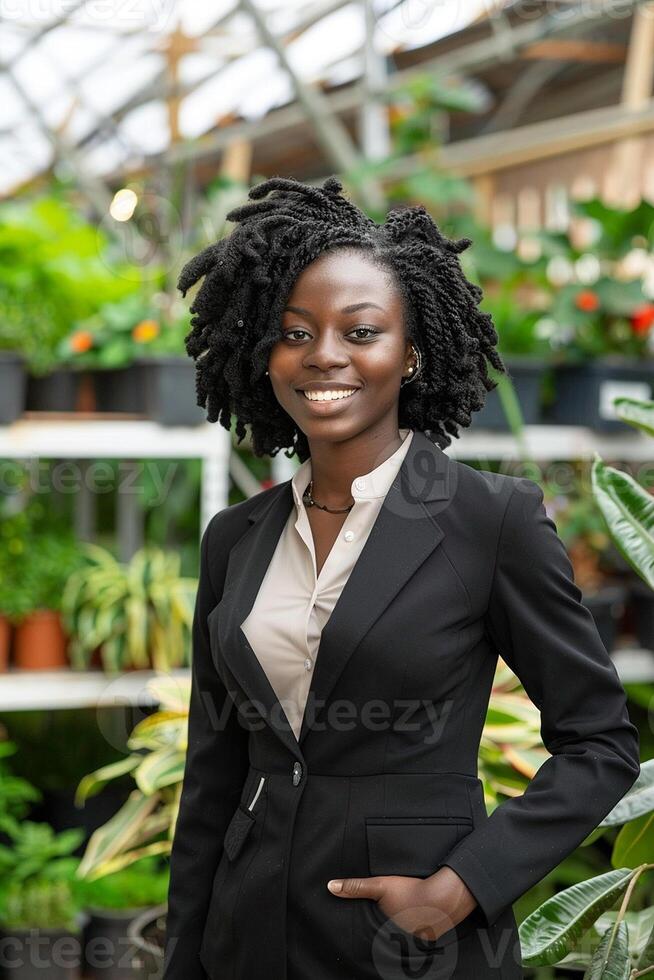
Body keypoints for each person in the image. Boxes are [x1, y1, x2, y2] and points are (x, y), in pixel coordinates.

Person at [162, 175, 640, 980]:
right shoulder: (234, 540)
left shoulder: (489, 521)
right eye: (294, 332)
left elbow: (600, 743)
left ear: (410, 353)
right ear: (263, 354)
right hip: (249, 934)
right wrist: (184, 958)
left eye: (361, 330)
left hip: (412, 941)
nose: (324, 355)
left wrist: (462, 889)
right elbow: (213, 771)